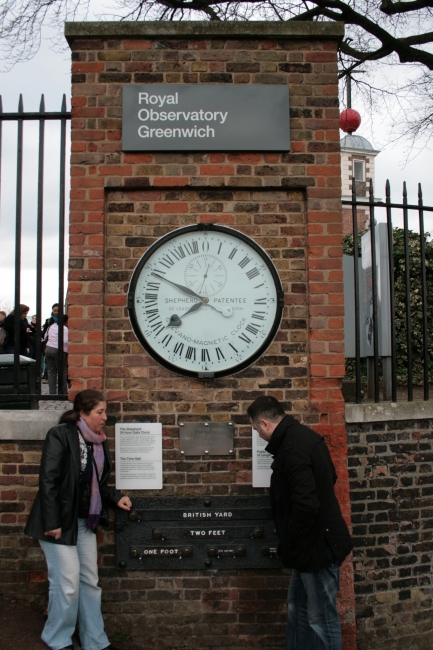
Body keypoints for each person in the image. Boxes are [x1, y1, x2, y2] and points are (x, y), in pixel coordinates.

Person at [25, 389, 132, 650]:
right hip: (59, 522)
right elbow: (48, 481)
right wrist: (52, 523)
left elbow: (97, 482)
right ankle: (57, 638)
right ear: (82, 413)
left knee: (90, 582)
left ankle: (94, 640)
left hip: (84, 522)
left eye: (105, 411)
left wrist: (115, 497)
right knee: (68, 583)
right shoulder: (60, 435)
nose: (105, 417)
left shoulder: (99, 440)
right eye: (100, 412)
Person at [247, 396, 353, 650]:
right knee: (299, 611)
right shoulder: (305, 438)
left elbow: (307, 504)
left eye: (255, 429)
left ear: (264, 423)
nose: (257, 434)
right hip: (308, 549)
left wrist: (292, 539)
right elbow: (330, 476)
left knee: (321, 619)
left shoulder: (292, 449)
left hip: (315, 549)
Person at [44, 313, 68, 394]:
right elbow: (65, 341)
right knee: (62, 371)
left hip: (48, 349)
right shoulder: (64, 328)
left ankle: (52, 391)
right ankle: (63, 391)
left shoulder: (51, 326)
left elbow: (45, 337)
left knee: (51, 371)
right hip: (58, 350)